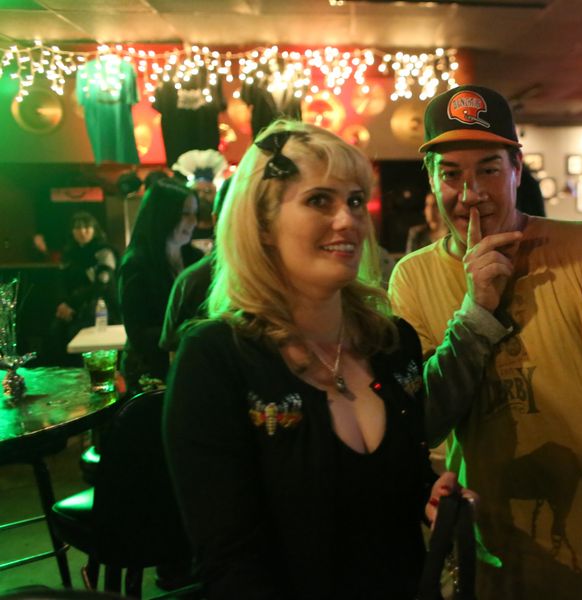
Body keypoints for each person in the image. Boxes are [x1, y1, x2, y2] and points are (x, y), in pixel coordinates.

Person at [164, 119, 466, 599]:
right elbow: (231, 562)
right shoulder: (217, 359)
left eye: (354, 200)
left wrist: (430, 498)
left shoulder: (392, 343)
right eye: (319, 200)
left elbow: (395, 489)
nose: (347, 220)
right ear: (262, 224)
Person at [389, 85, 582, 600]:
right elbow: (422, 423)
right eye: (451, 174)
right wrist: (476, 309)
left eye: (489, 169)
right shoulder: (412, 277)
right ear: (431, 180)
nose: (471, 193)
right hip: (488, 553)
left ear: (517, 170)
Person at [119, 178, 203, 394]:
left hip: (191, 367)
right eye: (186, 214)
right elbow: (138, 333)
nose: (194, 221)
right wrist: (190, 333)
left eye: (195, 213)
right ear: (163, 215)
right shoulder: (137, 263)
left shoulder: (195, 258)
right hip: (150, 372)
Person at [159, 177, 231, 354]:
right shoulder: (195, 278)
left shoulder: (193, 271)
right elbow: (172, 351)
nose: (192, 221)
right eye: (186, 213)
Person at [48, 211, 120, 365]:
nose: (82, 232)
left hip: (99, 306)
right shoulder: (69, 253)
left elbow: (102, 283)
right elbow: (60, 281)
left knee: (79, 332)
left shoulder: (103, 251)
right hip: (72, 306)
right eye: (78, 228)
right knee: (56, 330)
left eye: (86, 227)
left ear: (94, 229)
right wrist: (62, 303)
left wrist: (72, 303)